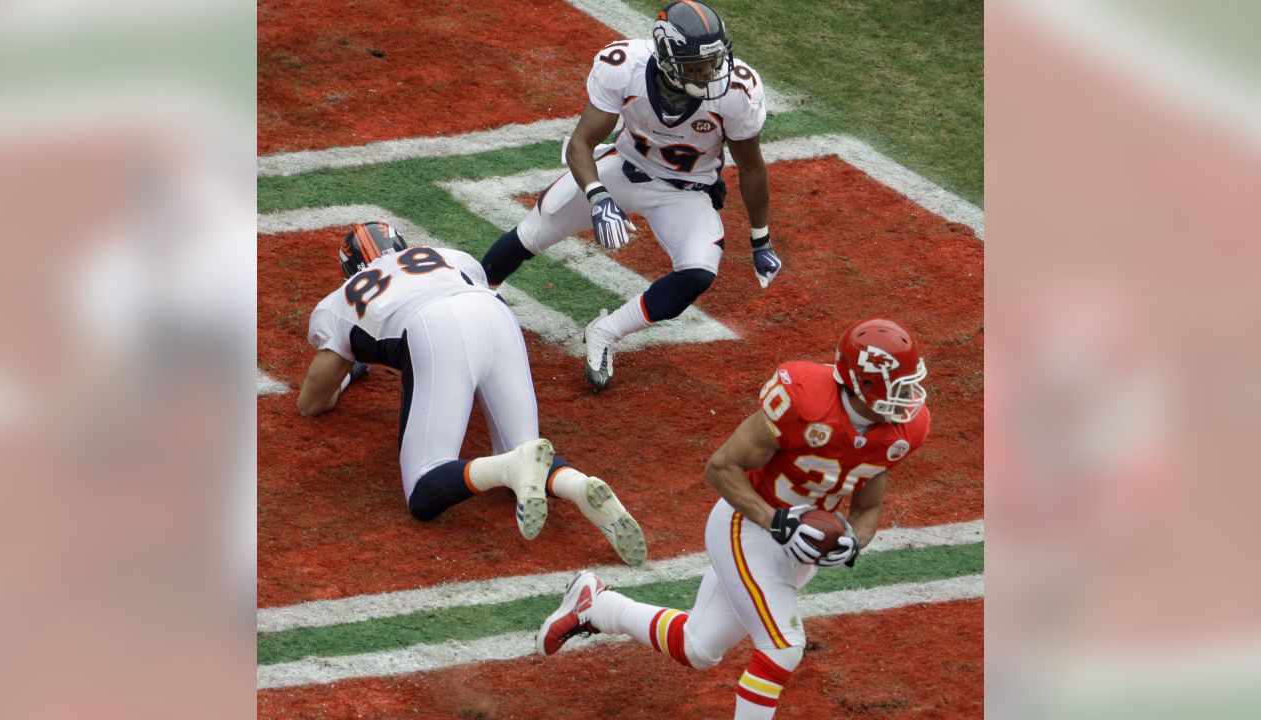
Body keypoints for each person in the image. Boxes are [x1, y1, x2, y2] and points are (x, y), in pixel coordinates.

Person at [536, 318, 931, 718]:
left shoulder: (905, 429)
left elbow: (868, 507)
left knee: (699, 647)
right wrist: (776, 521)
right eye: (899, 388)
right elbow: (722, 466)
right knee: (783, 647)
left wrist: (852, 540)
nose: (910, 399)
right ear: (861, 384)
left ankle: (596, 605)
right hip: (749, 524)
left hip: (800, 545)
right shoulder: (804, 400)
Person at [296, 221, 648, 566]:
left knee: (423, 488)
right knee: (525, 445)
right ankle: (577, 485)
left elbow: (311, 402)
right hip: (495, 314)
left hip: (432, 327)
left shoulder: (342, 298)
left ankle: (508, 466)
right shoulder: (448, 255)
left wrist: (347, 371)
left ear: (350, 268)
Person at [480, 1, 781, 392]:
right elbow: (580, 143)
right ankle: (478, 295)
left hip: (684, 192)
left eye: (715, 60)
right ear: (668, 58)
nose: (710, 72)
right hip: (622, 168)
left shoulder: (737, 91)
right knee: (533, 232)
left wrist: (761, 238)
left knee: (698, 272)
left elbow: (752, 166)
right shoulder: (625, 66)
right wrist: (598, 196)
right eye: (697, 65)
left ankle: (606, 331)